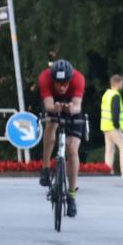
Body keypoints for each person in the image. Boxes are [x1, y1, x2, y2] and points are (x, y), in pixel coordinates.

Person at [38, 59, 86, 218]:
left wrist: (72, 108)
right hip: (53, 104)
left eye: (65, 83)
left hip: (72, 107)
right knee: (51, 125)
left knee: (72, 150)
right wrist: (55, 108)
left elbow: (77, 105)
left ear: (70, 79)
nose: (62, 87)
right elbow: (48, 105)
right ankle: (45, 168)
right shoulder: (44, 78)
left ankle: (71, 196)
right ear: (52, 79)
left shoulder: (78, 78)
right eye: (58, 83)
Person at [100, 75, 123, 178]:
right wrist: (116, 124)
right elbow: (115, 111)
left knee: (109, 149)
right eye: (122, 83)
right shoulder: (115, 95)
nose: (122, 85)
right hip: (113, 126)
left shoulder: (106, 94)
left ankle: (108, 171)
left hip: (105, 126)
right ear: (117, 83)